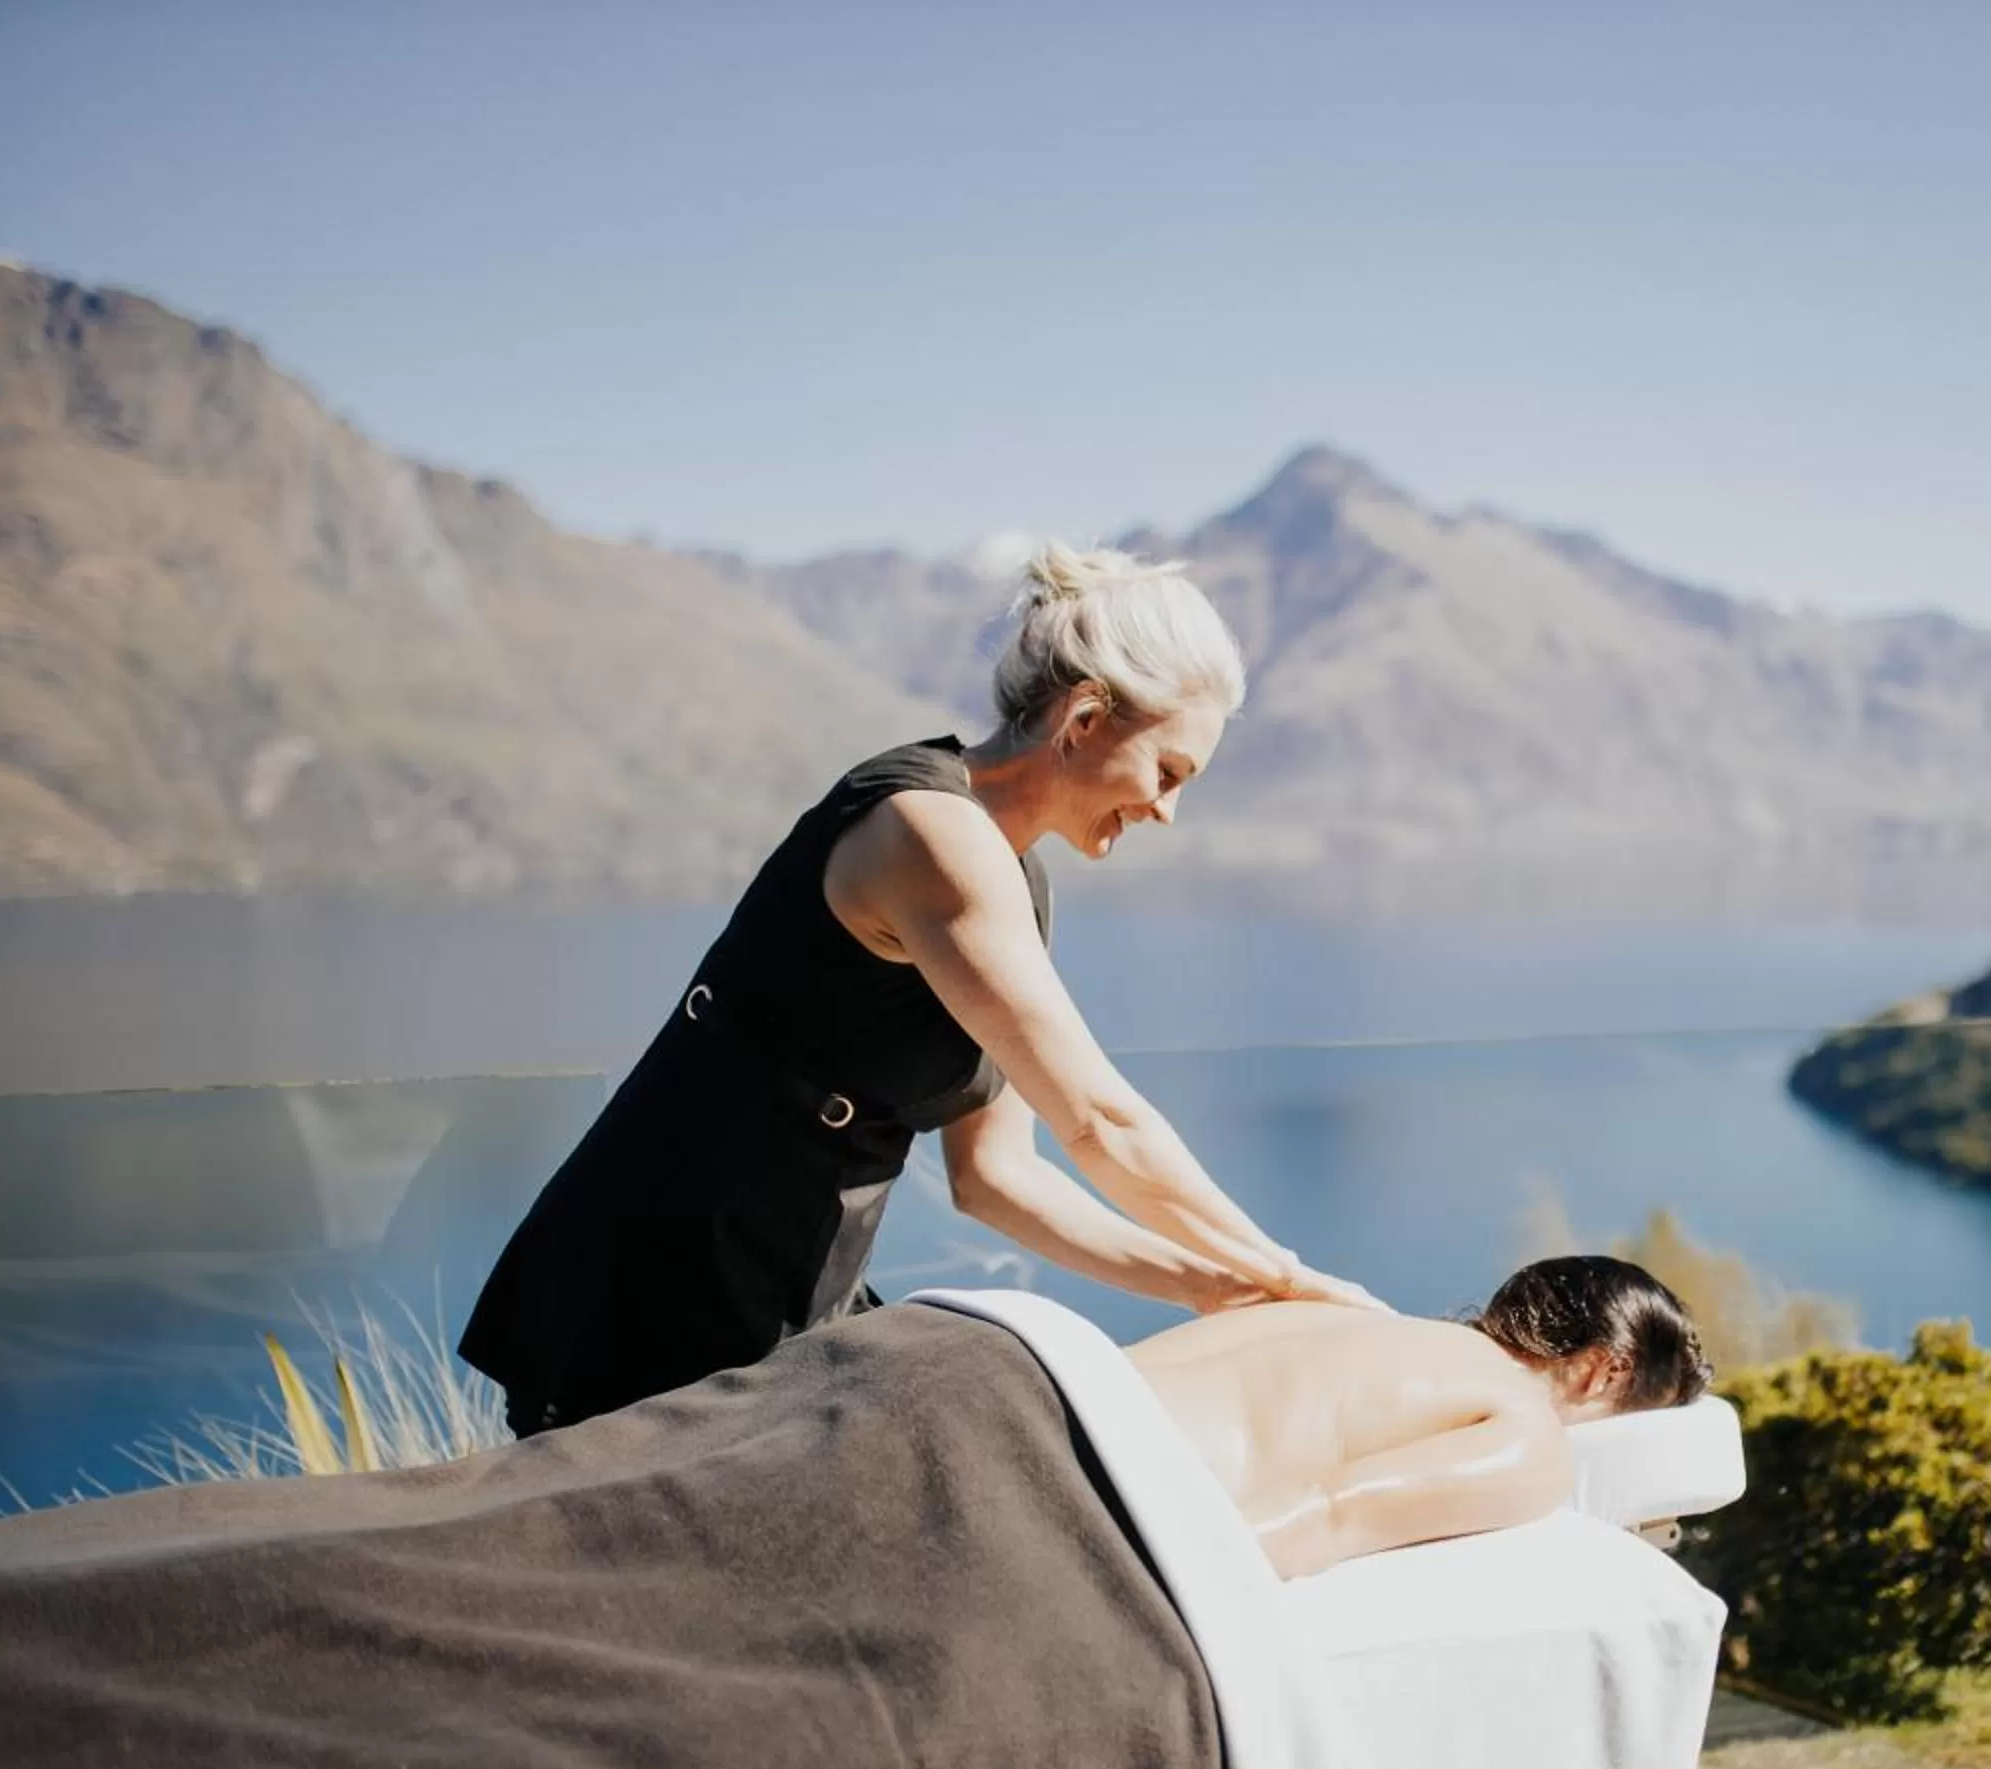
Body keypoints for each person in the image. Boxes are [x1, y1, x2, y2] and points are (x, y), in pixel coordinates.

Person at [460, 542, 1379, 1439]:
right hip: (651, 1287)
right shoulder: (929, 833)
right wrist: (1292, 1276)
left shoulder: (1013, 880)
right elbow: (1103, 1123)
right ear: (1086, 718)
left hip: (775, 1296)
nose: (1167, 811)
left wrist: (1215, 1285)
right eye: (1167, 772)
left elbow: (998, 1181)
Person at [1130, 1255, 1714, 1578]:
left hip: (1050, 1391)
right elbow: (1323, 1518)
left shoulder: (1344, 1318)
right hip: (1107, 1492)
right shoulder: (1525, 1433)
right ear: (1602, 1372)